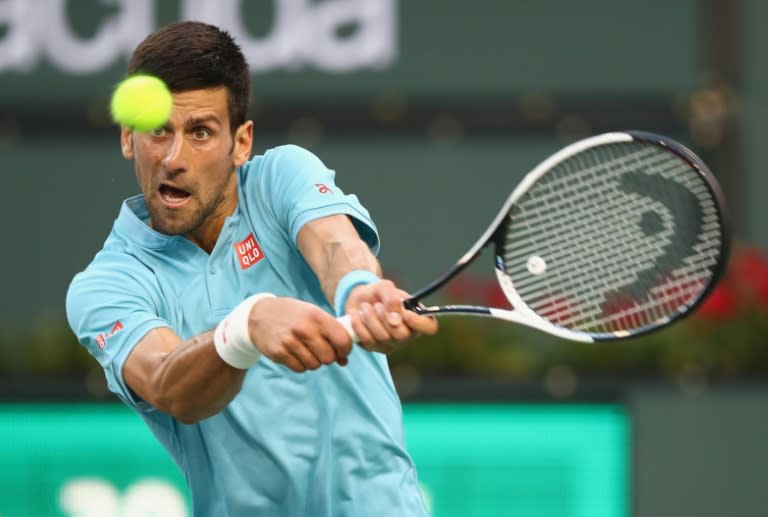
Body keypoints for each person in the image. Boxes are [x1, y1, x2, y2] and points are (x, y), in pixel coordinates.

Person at [65, 20, 438, 517]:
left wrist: (358, 289)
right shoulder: (107, 284)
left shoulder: (281, 176)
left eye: (200, 132)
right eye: (159, 131)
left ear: (241, 143)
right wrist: (246, 326)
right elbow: (166, 382)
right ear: (128, 138)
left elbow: (333, 246)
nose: (174, 158)